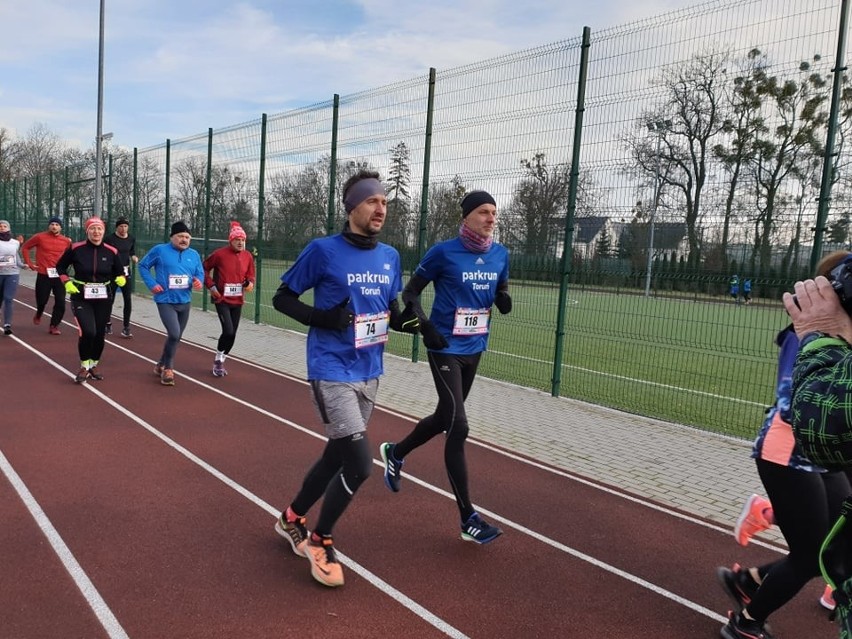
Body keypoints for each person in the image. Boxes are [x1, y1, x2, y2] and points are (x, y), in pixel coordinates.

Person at [270, 170, 419, 588]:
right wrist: (323, 318)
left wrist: (418, 322)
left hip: (371, 370)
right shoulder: (323, 251)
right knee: (359, 463)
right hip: (331, 368)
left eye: (385, 202)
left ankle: (291, 518)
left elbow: (390, 309)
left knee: (337, 455)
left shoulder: (389, 256)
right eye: (373, 201)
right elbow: (282, 298)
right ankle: (320, 539)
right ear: (353, 205)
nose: (381, 209)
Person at [716, 251, 852, 639]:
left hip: (822, 454)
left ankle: (752, 579)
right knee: (811, 555)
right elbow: (796, 405)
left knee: (835, 543)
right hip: (788, 450)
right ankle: (746, 623)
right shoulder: (805, 334)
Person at [379, 189, 512, 545]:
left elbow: (501, 289)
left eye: (494, 213)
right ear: (467, 217)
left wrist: (503, 298)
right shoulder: (443, 252)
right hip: (444, 347)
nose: (491, 218)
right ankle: (468, 517)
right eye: (484, 212)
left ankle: (397, 451)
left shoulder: (500, 254)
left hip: (475, 347)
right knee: (459, 424)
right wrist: (426, 326)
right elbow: (410, 294)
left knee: (444, 417)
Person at [55, 217, 127, 383]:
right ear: (87, 231)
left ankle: (93, 364)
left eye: (99, 229)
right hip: (81, 295)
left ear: (103, 231)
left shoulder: (111, 251)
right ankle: (84, 366)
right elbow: (60, 267)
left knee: (99, 334)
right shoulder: (76, 248)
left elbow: (119, 270)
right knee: (88, 331)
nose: (96, 232)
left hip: (103, 297)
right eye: (92, 229)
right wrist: (66, 282)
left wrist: (121, 278)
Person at [137, 221, 204, 386]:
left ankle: (160, 364)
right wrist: (152, 284)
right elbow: (143, 266)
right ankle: (168, 369)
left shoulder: (194, 254)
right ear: (172, 237)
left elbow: (200, 272)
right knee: (174, 333)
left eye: (187, 237)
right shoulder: (160, 250)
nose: (184, 239)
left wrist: (198, 281)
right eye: (180, 236)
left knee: (176, 337)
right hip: (165, 300)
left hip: (185, 301)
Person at [202, 221, 256, 377]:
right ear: (231, 240)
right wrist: (211, 286)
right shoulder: (219, 254)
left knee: (233, 335)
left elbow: (251, 275)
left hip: (238, 300)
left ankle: (221, 358)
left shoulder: (247, 256)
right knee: (228, 331)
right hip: (222, 300)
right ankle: (218, 359)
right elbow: (204, 268)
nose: (240, 242)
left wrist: (249, 283)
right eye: (237, 239)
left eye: (243, 240)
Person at [21, 216, 72, 334]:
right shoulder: (39, 237)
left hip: (59, 275)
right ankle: (39, 312)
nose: (54, 226)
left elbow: (70, 255)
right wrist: (30, 263)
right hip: (44, 274)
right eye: (52, 224)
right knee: (42, 301)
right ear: (49, 225)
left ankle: (54, 325)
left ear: (61, 227)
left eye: (57, 225)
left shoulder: (66, 241)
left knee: (60, 301)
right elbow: (25, 247)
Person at [104, 217, 138, 338]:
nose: (123, 229)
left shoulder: (131, 238)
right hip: (112, 272)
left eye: (125, 226)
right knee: (110, 298)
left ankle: (126, 327)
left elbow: (132, 251)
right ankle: (107, 323)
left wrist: (134, 257)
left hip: (125, 272)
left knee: (127, 299)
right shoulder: (109, 239)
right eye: (121, 226)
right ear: (116, 228)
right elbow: (105, 253)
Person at [0, 220, 26, 335]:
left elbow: (16, 257)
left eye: (4, 226)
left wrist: (22, 265)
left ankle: (7, 324)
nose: (2, 227)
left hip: (12, 273)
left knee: (8, 298)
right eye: (0, 226)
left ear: (8, 228)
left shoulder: (15, 242)